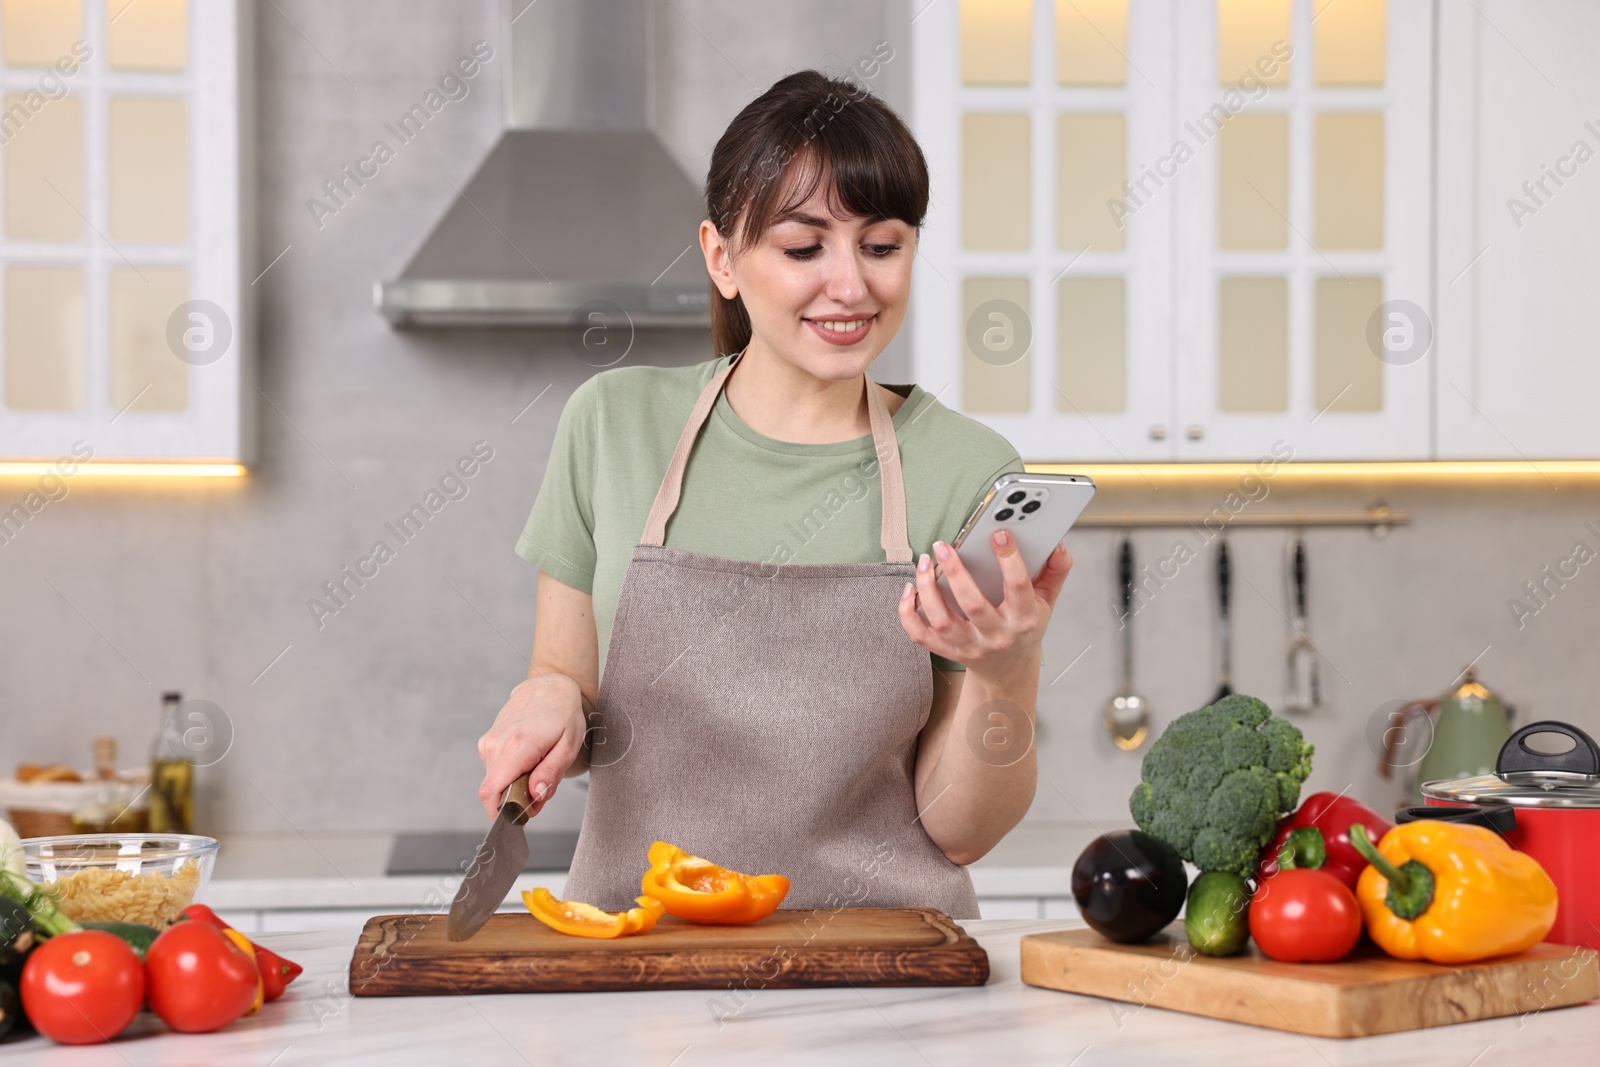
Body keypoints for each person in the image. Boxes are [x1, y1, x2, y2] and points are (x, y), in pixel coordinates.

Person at [475, 70, 1072, 919]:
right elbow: (563, 677)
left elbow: (961, 830)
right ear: (722, 258)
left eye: (882, 244)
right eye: (804, 248)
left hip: (881, 970)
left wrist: (1008, 672)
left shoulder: (966, 467)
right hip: (638, 958)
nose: (852, 286)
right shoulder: (611, 425)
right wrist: (549, 699)